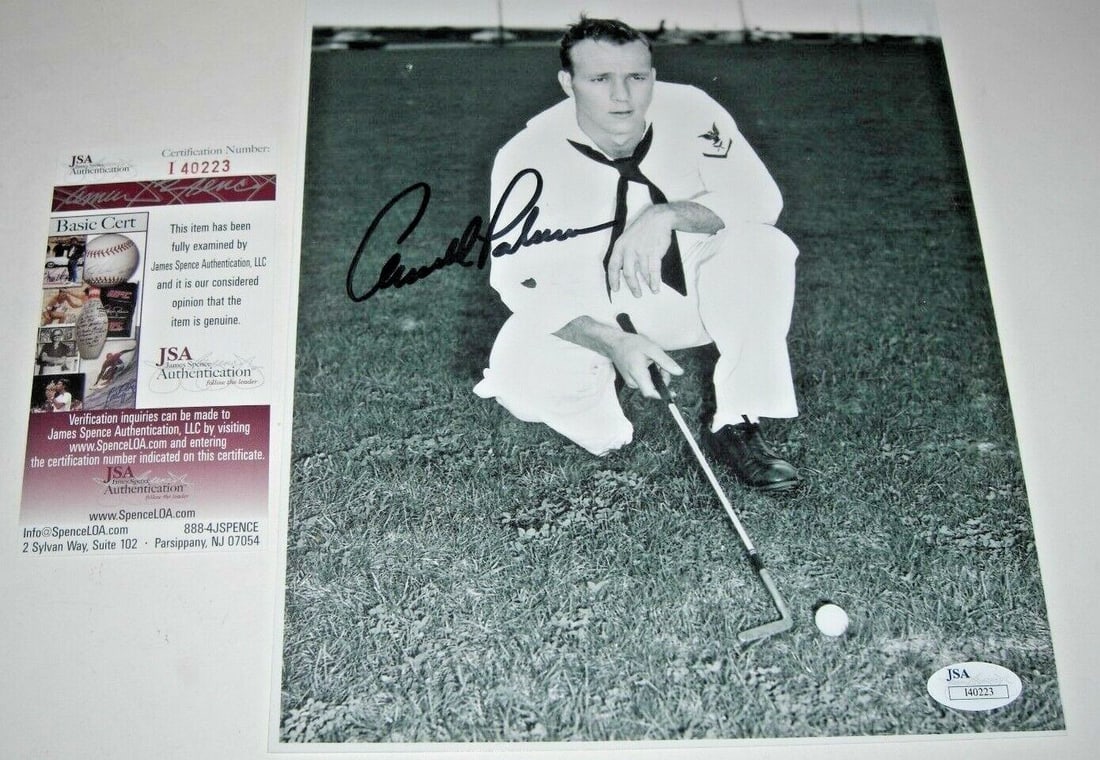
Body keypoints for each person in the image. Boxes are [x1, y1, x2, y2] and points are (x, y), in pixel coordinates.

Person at [474, 17, 802, 491]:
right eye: (600, 79)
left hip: (697, 294)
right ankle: (608, 423)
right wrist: (610, 342)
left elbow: (762, 202)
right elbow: (514, 278)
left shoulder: (691, 108)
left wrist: (665, 215)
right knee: (519, 381)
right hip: (591, 304)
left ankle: (738, 420)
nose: (622, 96)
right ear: (568, 83)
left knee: (762, 247)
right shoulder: (526, 153)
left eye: (637, 77)